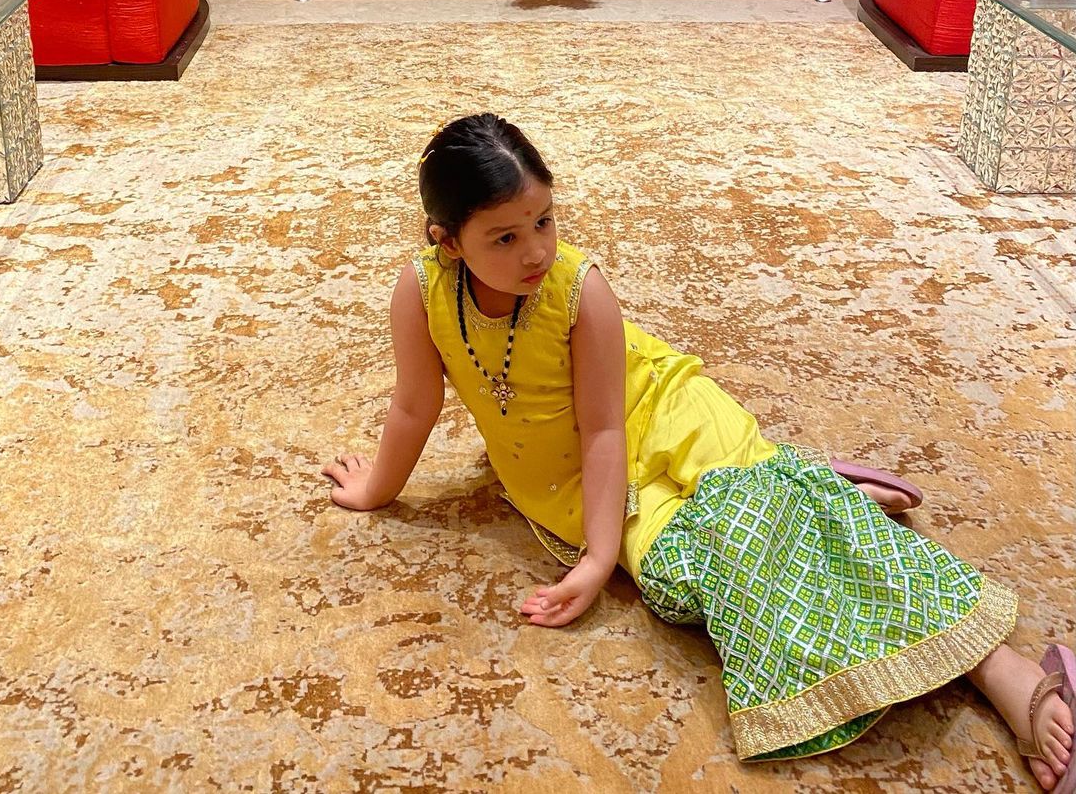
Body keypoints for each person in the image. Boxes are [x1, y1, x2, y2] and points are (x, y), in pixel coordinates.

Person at [322, 113, 1075, 783]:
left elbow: (606, 426)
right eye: (506, 237)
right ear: (447, 241)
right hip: (572, 479)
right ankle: (813, 486)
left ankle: (998, 666)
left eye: (544, 220)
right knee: (706, 564)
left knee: (765, 507)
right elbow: (414, 406)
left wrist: (595, 561)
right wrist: (377, 489)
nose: (536, 250)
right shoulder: (421, 292)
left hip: (661, 412)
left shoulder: (581, 290)